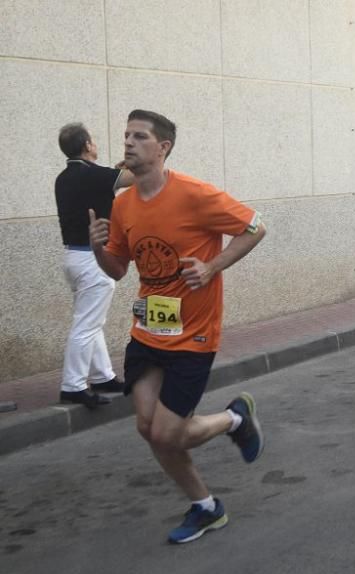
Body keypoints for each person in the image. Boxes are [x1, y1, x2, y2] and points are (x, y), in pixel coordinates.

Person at [89, 110, 266, 543]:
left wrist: (211, 267)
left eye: (140, 136)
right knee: (148, 428)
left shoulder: (194, 194)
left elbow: (255, 227)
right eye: (126, 135)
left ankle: (233, 419)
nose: (128, 143)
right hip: (148, 327)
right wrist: (97, 249)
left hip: (194, 334)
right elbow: (116, 269)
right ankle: (205, 506)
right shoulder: (123, 203)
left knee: (168, 432)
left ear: (162, 147)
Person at [55, 123, 134, 408]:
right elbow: (135, 177)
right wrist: (135, 160)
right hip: (93, 260)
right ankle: (72, 385)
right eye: (93, 141)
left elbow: (104, 180)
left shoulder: (63, 178)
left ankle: (103, 377)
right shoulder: (96, 176)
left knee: (92, 321)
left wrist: (115, 170)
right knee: (87, 324)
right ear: (87, 145)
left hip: (73, 258)